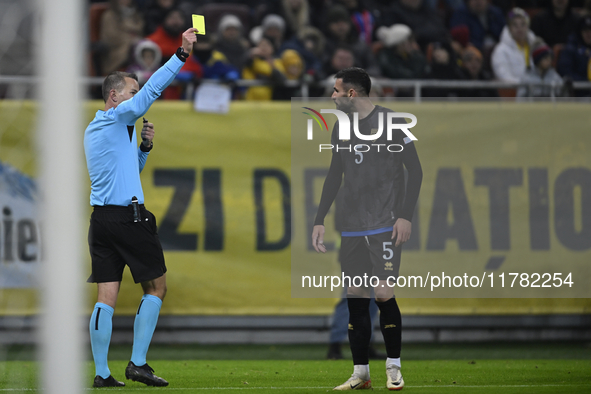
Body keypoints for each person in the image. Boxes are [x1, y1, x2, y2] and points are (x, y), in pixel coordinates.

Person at [84, 27, 198, 388]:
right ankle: (138, 363)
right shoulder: (119, 116)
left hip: (101, 219)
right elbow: (150, 92)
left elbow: (127, 174)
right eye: (130, 92)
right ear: (114, 96)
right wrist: (181, 54)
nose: (137, 98)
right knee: (157, 288)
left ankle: (102, 374)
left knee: (106, 297)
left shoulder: (96, 128)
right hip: (128, 219)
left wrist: (143, 151)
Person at [311, 67, 422, 390]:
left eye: (336, 90)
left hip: (385, 223)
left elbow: (415, 171)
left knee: (383, 292)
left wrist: (405, 215)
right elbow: (335, 175)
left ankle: (394, 366)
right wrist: (319, 219)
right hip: (352, 226)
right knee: (356, 296)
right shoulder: (341, 129)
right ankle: (361, 373)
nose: (332, 96)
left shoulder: (392, 122)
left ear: (351, 94)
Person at [491, 8, 537, 83]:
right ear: (509, 28)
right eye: (515, 25)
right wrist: (524, 86)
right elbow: (503, 76)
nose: (519, 28)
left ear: (528, 27)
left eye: (523, 24)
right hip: (514, 91)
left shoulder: (535, 47)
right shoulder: (500, 50)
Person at [99, 0, 145, 75]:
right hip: (116, 51)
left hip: (137, 47)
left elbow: (141, 32)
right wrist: (131, 39)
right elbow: (110, 37)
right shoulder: (109, 15)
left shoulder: (136, 15)